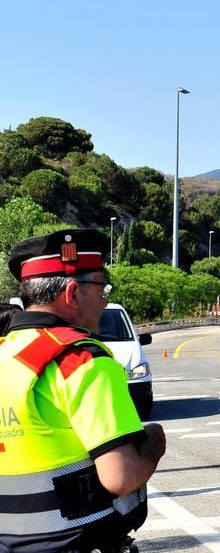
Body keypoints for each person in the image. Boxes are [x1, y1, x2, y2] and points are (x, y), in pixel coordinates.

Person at [0, 229, 166, 552]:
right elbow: (122, 476)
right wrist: (155, 442)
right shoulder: (81, 361)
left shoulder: (5, 353)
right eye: (102, 289)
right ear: (73, 294)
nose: (104, 301)